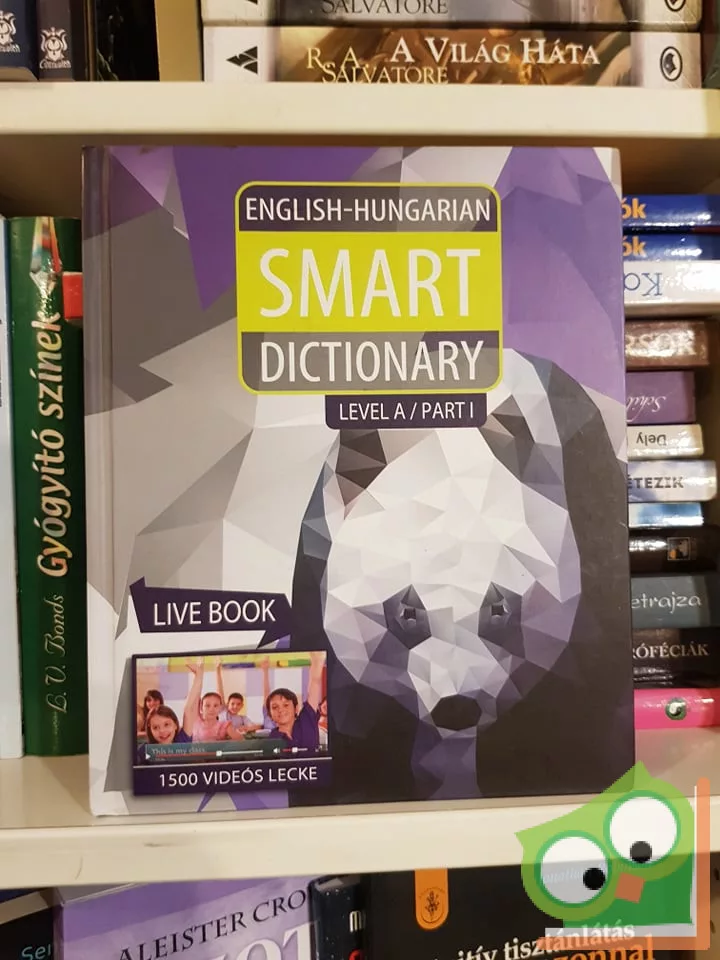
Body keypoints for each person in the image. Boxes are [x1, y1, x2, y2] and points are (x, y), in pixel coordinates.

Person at [260, 652, 324, 750]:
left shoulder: (306, 720)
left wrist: (317, 660)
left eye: (286, 705)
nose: (280, 710)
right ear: (270, 714)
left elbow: (315, 682)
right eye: (275, 707)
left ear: (296, 708)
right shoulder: (271, 740)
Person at [183, 658, 245, 742]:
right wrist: (199, 670)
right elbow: (195, 697)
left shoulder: (224, 725)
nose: (211, 709)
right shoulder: (196, 720)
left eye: (215, 706)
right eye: (207, 705)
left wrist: (224, 744)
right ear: (201, 707)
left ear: (220, 707)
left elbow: (241, 741)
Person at [216, 667, 263, 735]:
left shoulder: (243, 718)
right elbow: (220, 690)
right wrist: (218, 670)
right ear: (227, 704)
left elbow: (259, 726)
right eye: (232, 704)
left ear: (242, 706)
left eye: (238, 704)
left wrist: (246, 728)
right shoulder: (223, 711)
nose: (235, 706)